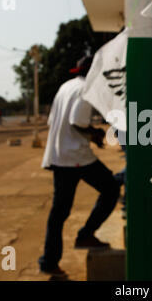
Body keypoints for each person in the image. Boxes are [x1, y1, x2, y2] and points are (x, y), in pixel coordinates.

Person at [38, 56, 120, 277]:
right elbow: (77, 122)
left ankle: (49, 262)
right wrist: (94, 133)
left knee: (59, 213)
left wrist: (91, 134)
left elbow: (54, 121)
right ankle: (85, 235)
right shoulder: (86, 89)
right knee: (110, 188)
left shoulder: (66, 86)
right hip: (75, 157)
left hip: (60, 155)